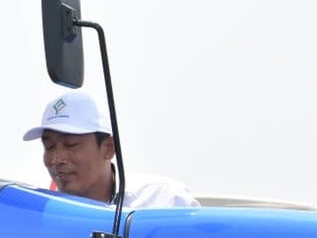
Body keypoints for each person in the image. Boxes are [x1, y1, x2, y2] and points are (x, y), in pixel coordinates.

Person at [22, 89, 199, 208]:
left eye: (71, 145)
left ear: (108, 148)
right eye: (49, 146)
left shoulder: (164, 200)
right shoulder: (39, 209)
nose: (56, 159)